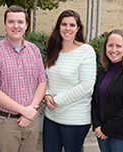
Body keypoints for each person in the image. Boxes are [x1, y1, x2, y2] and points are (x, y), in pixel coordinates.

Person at [0, 5, 47, 152]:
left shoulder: (34, 50)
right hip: (7, 123)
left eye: (20, 22)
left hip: (31, 120)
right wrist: (23, 110)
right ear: (5, 25)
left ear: (26, 25)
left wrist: (31, 109)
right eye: (11, 22)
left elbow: (42, 82)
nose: (16, 26)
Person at [43, 10, 96, 152]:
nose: (67, 28)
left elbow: (86, 87)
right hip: (51, 117)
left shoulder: (86, 51)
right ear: (58, 27)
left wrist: (56, 100)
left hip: (75, 120)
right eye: (64, 24)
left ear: (78, 28)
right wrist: (46, 94)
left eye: (72, 25)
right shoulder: (53, 49)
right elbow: (46, 78)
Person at [91, 29, 123, 152]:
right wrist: (97, 125)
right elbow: (95, 100)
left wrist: (106, 129)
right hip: (102, 132)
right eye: (110, 45)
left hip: (121, 135)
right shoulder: (102, 70)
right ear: (105, 48)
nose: (114, 50)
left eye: (118, 46)